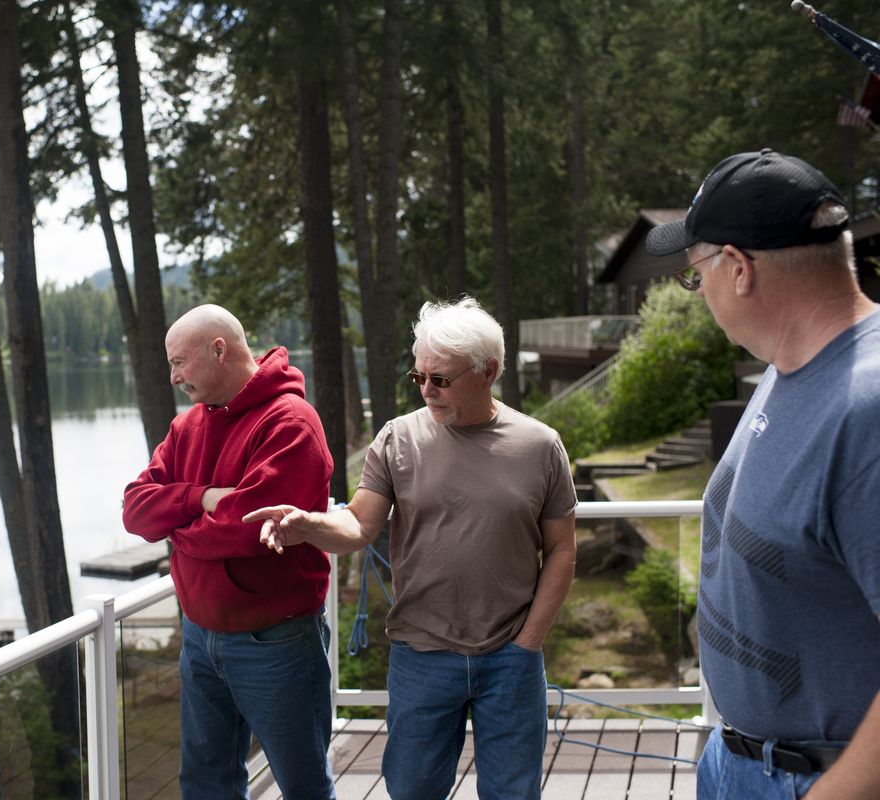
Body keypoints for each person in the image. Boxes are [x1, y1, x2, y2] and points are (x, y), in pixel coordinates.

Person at [244, 297, 577, 800]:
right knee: (412, 789)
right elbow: (358, 525)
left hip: (510, 657)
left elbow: (562, 550)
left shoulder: (539, 446)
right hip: (421, 655)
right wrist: (307, 524)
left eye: (440, 379)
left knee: (513, 793)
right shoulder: (397, 439)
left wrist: (528, 641)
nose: (426, 390)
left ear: (487, 371)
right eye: (418, 377)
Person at [644, 148, 880, 800]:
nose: (701, 296)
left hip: (820, 778)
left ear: (740, 270)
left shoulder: (867, 408)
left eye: (697, 277)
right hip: (743, 759)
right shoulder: (789, 364)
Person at [122, 304, 336, 799]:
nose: (174, 377)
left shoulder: (291, 424)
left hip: (276, 643)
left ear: (219, 350)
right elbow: (135, 510)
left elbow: (247, 529)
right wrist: (199, 498)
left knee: (302, 783)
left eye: (180, 362)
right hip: (200, 640)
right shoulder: (187, 428)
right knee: (205, 782)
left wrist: (176, 530)